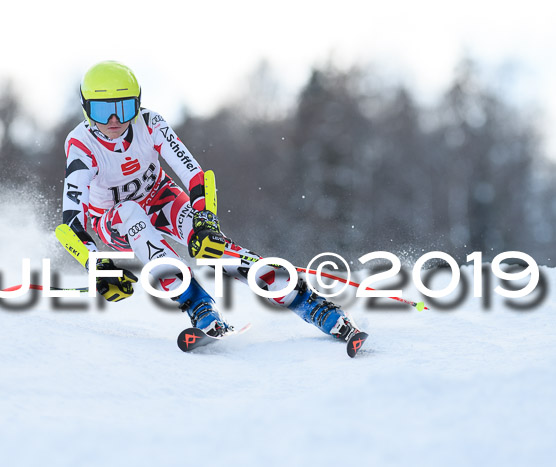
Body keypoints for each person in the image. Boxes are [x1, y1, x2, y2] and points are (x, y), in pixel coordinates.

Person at [62, 60, 361, 341]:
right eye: (103, 111)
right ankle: (197, 304)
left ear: (137, 104)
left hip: (160, 198)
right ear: (86, 109)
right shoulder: (80, 145)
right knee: (130, 212)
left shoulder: (150, 123)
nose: (115, 120)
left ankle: (309, 303)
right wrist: (97, 267)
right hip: (112, 220)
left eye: (124, 108)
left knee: (217, 250)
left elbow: (194, 174)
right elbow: (70, 224)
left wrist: (205, 222)